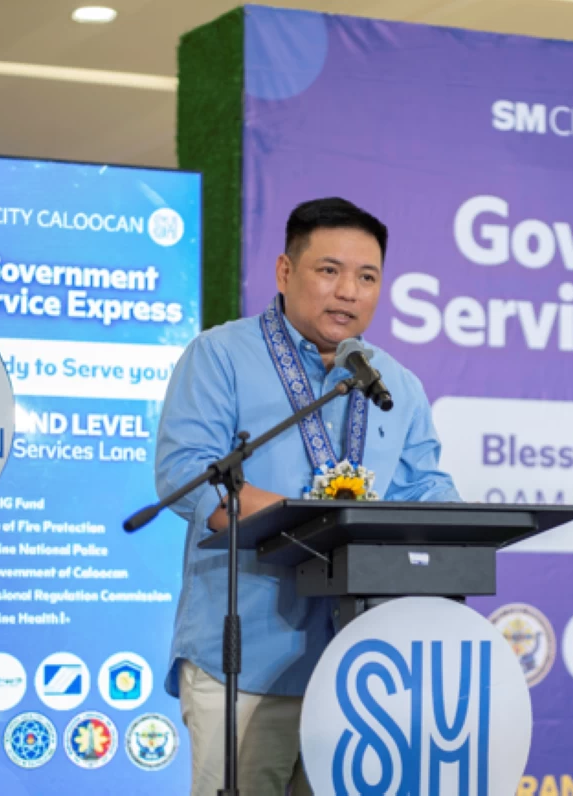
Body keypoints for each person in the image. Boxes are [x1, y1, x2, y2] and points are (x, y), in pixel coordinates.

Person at [155, 197, 461, 795]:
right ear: (284, 273)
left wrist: (442, 522)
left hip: (362, 671)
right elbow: (186, 473)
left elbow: (428, 486)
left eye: (367, 277)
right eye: (329, 270)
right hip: (244, 661)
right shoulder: (220, 357)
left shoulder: (396, 384)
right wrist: (322, 524)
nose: (348, 291)